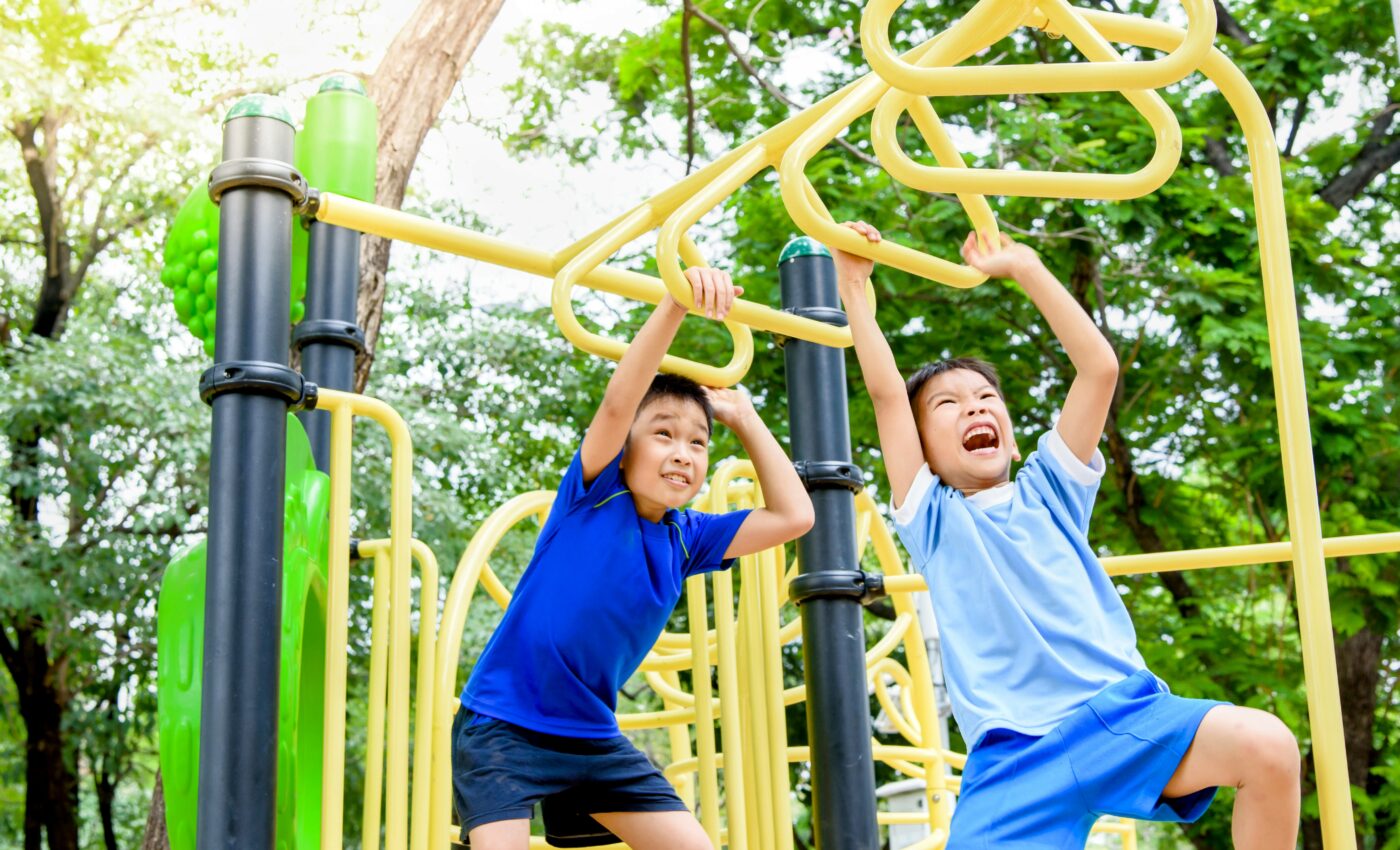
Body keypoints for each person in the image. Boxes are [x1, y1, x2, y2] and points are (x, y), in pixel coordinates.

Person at [833, 221, 1301, 848]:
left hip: (1119, 717)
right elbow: (888, 396)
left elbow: (1098, 368)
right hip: (1013, 762)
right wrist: (854, 290)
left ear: (1011, 429)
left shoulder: (1051, 489)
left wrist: (1026, 267)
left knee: (1268, 745)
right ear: (921, 453)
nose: (973, 407)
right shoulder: (933, 516)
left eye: (985, 397)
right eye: (946, 406)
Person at [453, 265, 815, 849]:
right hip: (503, 728)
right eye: (664, 434)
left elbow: (794, 517)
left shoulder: (687, 537)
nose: (683, 453)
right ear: (625, 450)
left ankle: (576, 805)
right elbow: (622, 401)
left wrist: (746, 421)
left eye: (698, 441)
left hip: (592, 739)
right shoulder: (595, 494)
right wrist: (676, 302)